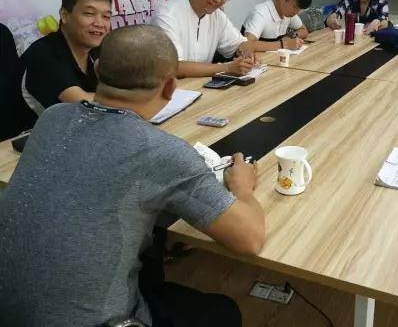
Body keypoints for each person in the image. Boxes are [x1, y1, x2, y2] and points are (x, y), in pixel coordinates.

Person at [0, 24, 265, 326]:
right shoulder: (161, 151)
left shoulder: (52, 117)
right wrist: (242, 187)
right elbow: (250, 239)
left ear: (97, 70)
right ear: (170, 88)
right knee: (223, 312)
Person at [20, 0, 112, 116]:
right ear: (64, 15)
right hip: (33, 128)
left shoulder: (98, 49)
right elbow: (84, 104)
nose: (100, 23)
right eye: (89, 14)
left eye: (106, 16)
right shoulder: (43, 54)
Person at [152, 0, 254, 78]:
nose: (218, 0)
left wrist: (246, 54)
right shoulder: (167, 15)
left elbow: (241, 43)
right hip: (171, 86)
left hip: (201, 84)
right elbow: (176, 67)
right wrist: (227, 68)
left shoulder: (217, 16)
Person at [242, 0, 311, 52]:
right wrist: (284, 44)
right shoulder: (260, 14)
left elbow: (304, 30)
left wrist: (292, 36)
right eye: (295, 7)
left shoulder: (288, 13)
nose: (296, 13)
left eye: (299, 9)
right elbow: (246, 45)